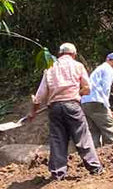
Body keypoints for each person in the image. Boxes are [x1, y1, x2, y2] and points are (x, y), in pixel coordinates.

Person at [28, 43, 104, 180]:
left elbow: (39, 96)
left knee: (57, 140)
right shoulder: (78, 66)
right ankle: (95, 168)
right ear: (73, 54)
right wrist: (77, 93)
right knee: (82, 137)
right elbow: (87, 88)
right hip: (72, 105)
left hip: (55, 109)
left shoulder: (50, 67)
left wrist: (33, 112)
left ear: (59, 54)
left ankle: (58, 174)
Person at [81, 53, 113, 147]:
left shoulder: (99, 69)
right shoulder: (108, 69)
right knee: (110, 126)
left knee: (93, 131)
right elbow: (105, 88)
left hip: (85, 102)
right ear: (108, 60)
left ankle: (94, 154)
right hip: (96, 101)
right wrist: (107, 108)